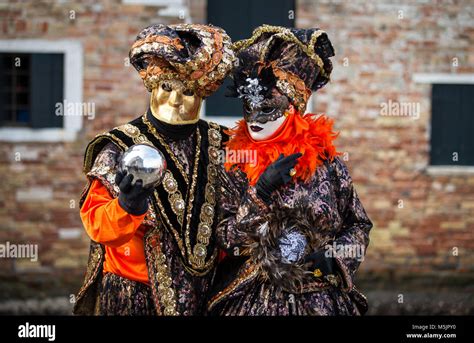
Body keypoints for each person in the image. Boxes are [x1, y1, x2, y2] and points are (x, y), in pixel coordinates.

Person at [208, 25, 373, 315]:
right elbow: (225, 238)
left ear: (293, 108)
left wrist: (335, 257)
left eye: (267, 108)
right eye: (249, 108)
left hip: (322, 299)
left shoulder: (328, 165)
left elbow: (358, 225)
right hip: (255, 299)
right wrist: (259, 193)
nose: (255, 119)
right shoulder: (234, 162)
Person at [73, 23, 235, 315]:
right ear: (152, 85)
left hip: (208, 295)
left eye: (187, 91)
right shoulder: (119, 147)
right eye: (167, 87)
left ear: (202, 93)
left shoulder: (224, 143)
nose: (175, 100)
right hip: (135, 297)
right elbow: (97, 225)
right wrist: (127, 205)